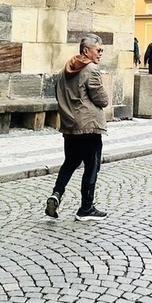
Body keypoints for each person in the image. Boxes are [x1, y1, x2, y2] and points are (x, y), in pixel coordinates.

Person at [46, 34, 110, 221]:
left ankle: (56, 194)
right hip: (89, 126)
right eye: (98, 50)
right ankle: (86, 208)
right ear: (86, 51)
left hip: (70, 125)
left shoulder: (64, 70)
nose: (100, 53)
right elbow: (102, 99)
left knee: (70, 162)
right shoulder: (91, 70)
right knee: (92, 166)